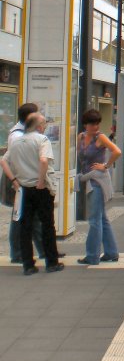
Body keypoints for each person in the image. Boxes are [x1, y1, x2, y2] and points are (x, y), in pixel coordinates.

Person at [0, 113, 64, 275]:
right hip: (40, 188)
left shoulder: (16, 142)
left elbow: (3, 161)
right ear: (38, 126)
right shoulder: (42, 140)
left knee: (25, 226)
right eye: (43, 123)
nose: (45, 126)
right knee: (47, 224)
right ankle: (51, 262)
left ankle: (28, 264)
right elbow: (43, 160)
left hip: (23, 188)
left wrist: (14, 180)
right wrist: (41, 181)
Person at [77, 109, 121, 265]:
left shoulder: (101, 137)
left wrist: (106, 165)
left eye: (97, 124)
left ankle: (92, 255)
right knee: (102, 218)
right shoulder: (81, 137)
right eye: (92, 124)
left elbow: (117, 151)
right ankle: (111, 252)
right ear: (85, 124)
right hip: (87, 179)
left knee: (94, 219)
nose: (95, 127)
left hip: (98, 181)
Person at [4, 103, 44, 263]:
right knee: (19, 217)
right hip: (20, 181)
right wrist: (15, 181)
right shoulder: (17, 136)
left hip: (25, 179)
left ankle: (43, 249)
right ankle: (17, 252)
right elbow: (9, 160)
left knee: (31, 216)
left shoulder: (25, 133)